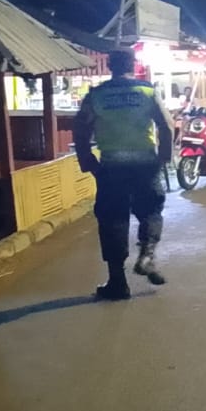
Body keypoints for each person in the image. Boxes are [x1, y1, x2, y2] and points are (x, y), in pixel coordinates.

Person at [74, 49, 173, 300]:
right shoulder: (147, 92)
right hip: (144, 164)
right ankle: (147, 255)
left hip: (111, 167)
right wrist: (163, 157)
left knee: (112, 220)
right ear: (134, 66)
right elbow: (167, 125)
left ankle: (118, 283)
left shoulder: (96, 95)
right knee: (150, 210)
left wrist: (88, 162)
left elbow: (80, 130)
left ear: (110, 66)